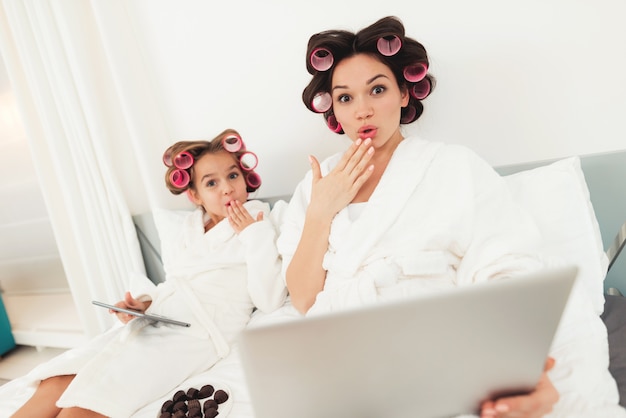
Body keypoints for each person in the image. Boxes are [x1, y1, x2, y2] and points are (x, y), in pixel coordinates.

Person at [276, 16, 624, 418]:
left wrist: (509, 361)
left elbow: (505, 265)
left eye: (377, 89)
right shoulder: (316, 185)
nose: (363, 110)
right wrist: (321, 211)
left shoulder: (453, 166)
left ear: (405, 94)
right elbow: (303, 299)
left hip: (440, 345)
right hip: (348, 356)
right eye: (346, 97)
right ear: (334, 108)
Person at [12, 128, 287, 418]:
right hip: (160, 318)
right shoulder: (190, 229)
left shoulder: (259, 220)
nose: (227, 188)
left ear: (245, 179)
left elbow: (268, 299)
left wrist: (253, 234)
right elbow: (172, 282)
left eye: (233, 176)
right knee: (56, 381)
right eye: (211, 183)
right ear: (195, 195)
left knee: (85, 404)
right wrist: (142, 305)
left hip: (197, 333)